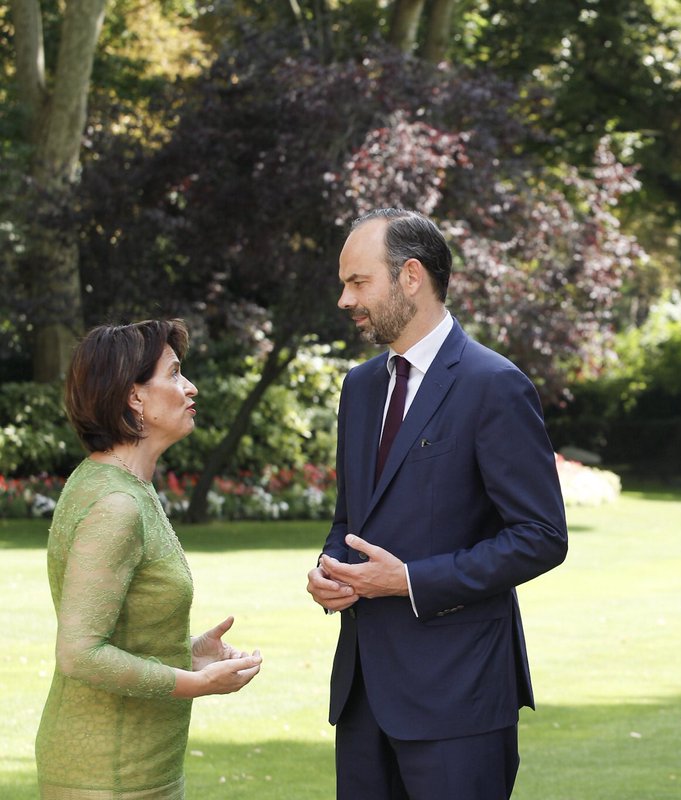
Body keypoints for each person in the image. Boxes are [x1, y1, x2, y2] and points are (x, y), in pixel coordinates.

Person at [306, 208, 568, 799]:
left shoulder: (493, 384)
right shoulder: (360, 387)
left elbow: (542, 536)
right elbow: (351, 519)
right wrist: (332, 570)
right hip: (363, 697)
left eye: (358, 282)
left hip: (459, 698)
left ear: (411, 276)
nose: (345, 300)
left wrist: (409, 581)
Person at [36, 320, 263, 800]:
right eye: (175, 373)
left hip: (137, 766)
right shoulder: (116, 504)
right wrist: (195, 683)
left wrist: (188, 652)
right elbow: (80, 652)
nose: (190, 387)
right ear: (134, 396)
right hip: (108, 774)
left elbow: (119, 632)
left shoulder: (123, 485)